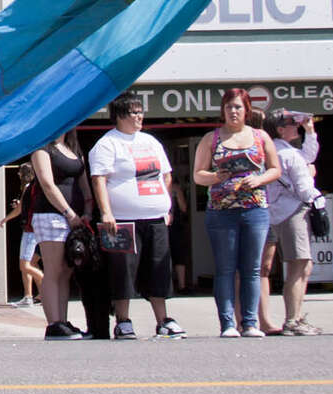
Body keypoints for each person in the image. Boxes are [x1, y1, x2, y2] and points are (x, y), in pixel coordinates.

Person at [90, 94, 184, 340]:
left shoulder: (151, 141)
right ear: (120, 115)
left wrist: (167, 206)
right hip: (122, 220)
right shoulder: (108, 143)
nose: (139, 116)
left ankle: (163, 320)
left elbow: (166, 174)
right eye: (133, 112)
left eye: (141, 111)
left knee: (159, 268)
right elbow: (99, 178)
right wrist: (106, 212)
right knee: (123, 270)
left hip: (155, 217)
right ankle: (123, 321)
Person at [193, 89, 280, 338]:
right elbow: (198, 174)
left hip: (255, 209)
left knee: (252, 269)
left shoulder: (261, 136)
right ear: (223, 110)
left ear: (246, 110)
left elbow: (275, 169)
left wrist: (259, 179)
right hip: (221, 212)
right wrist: (215, 177)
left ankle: (251, 323)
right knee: (225, 269)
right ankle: (228, 324)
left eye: (238, 107)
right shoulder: (212, 138)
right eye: (229, 107)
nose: (233, 111)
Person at [261, 111, 323, 335]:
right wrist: (318, 198)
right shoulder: (288, 154)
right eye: (291, 124)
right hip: (294, 212)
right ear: (279, 129)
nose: (296, 126)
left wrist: (310, 133)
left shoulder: (277, 151)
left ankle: (295, 317)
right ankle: (292, 320)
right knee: (298, 266)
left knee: (303, 265)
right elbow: (304, 187)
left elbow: (308, 155)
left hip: (279, 212)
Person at [30, 128, 88, 339]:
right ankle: (53, 323)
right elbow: (47, 184)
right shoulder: (42, 148)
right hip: (51, 215)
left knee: (66, 270)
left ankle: (62, 321)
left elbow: (84, 183)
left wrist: (88, 210)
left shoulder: (73, 148)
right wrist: (69, 213)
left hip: (75, 218)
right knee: (53, 269)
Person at [0, 163, 41, 308]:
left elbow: (21, 209)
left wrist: (6, 218)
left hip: (30, 231)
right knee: (32, 263)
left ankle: (45, 284)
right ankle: (30, 295)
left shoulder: (28, 188)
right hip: (33, 229)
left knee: (25, 265)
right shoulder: (31, 188)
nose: (17, 175)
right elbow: (24, 206)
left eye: (20, 172)